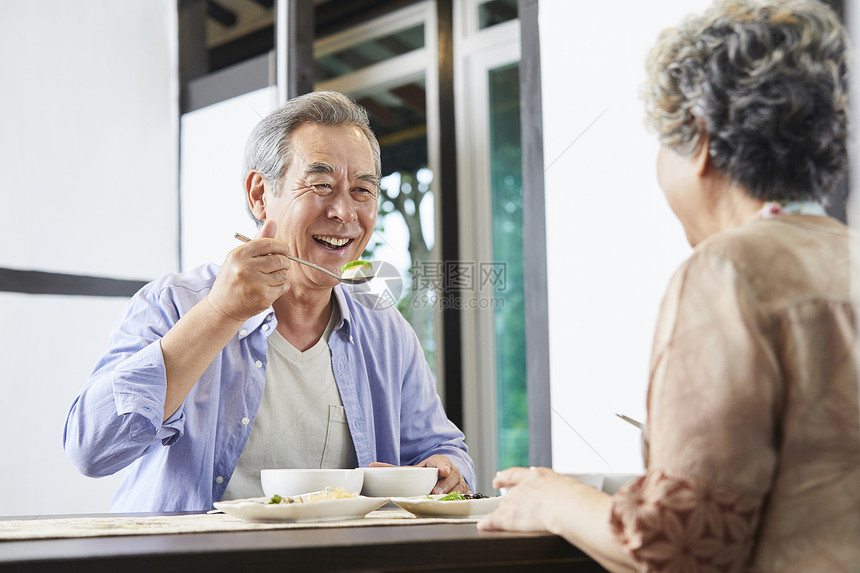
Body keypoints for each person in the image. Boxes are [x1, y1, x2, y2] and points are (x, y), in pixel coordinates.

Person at [478, 1, 860, 571]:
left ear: (700, 140)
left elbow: (681, 544)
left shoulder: (727, 270)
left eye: (665, 141)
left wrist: (554, 500)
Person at [64, 90, 475, 512]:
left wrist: (445, 471)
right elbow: (91, 449)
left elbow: (442, 449)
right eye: (322, 185)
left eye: (362, 190)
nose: (344, 212)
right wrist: (220, 313)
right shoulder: (173, 303)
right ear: (260, 194)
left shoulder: (384, 329)